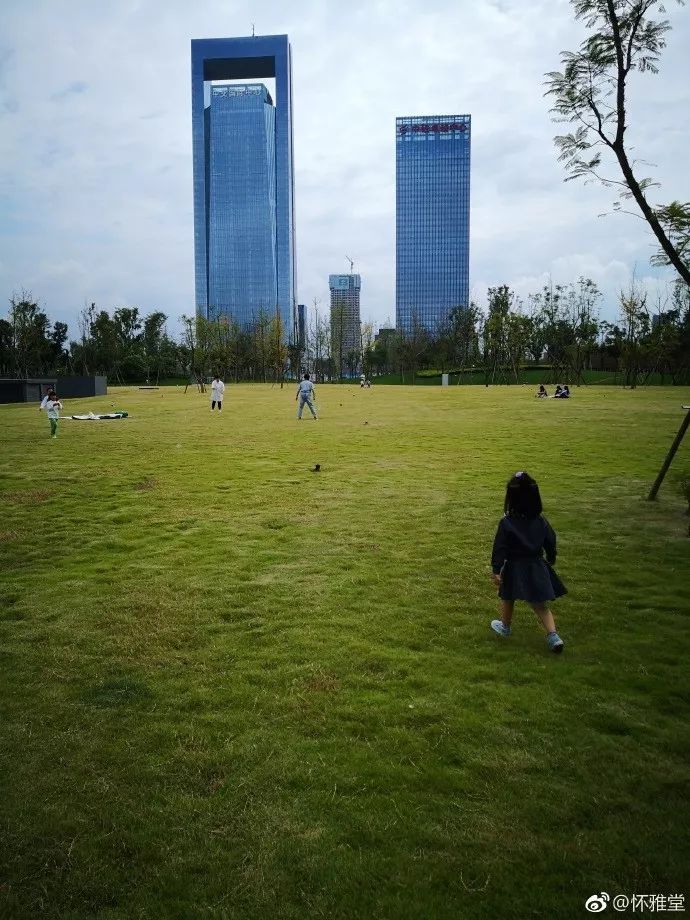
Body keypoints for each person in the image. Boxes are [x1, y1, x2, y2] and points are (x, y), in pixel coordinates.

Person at [489, 471, 566, 653]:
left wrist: (496, 569)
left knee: (508, 597)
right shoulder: (540, 521)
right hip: (536, 566)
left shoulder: (507, 523)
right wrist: (551, 557)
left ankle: (505, 626)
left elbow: (499, 548)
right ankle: (553, 636)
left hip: (514, 566)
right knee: (539, 604)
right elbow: (550, 541)